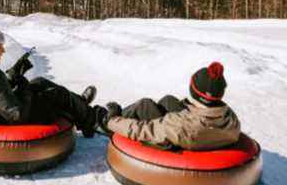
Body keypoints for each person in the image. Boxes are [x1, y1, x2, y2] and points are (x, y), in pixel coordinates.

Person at [0, 25, 100, 139]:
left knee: (39, 81)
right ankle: (92, 120)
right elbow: (18, 115)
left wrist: (12, 75)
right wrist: (22, 83)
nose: (3, 50)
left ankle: (80, 103)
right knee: (54, 94)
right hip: (2, 119)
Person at [98, 62, 241, 150]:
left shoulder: (177, 125)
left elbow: (141, 130)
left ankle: (104, 123)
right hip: (202, 128)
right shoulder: (231, 119)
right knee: (169, 100)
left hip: (180, 139)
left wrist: (112, 120)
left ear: (195, 92)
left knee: (144, 104)